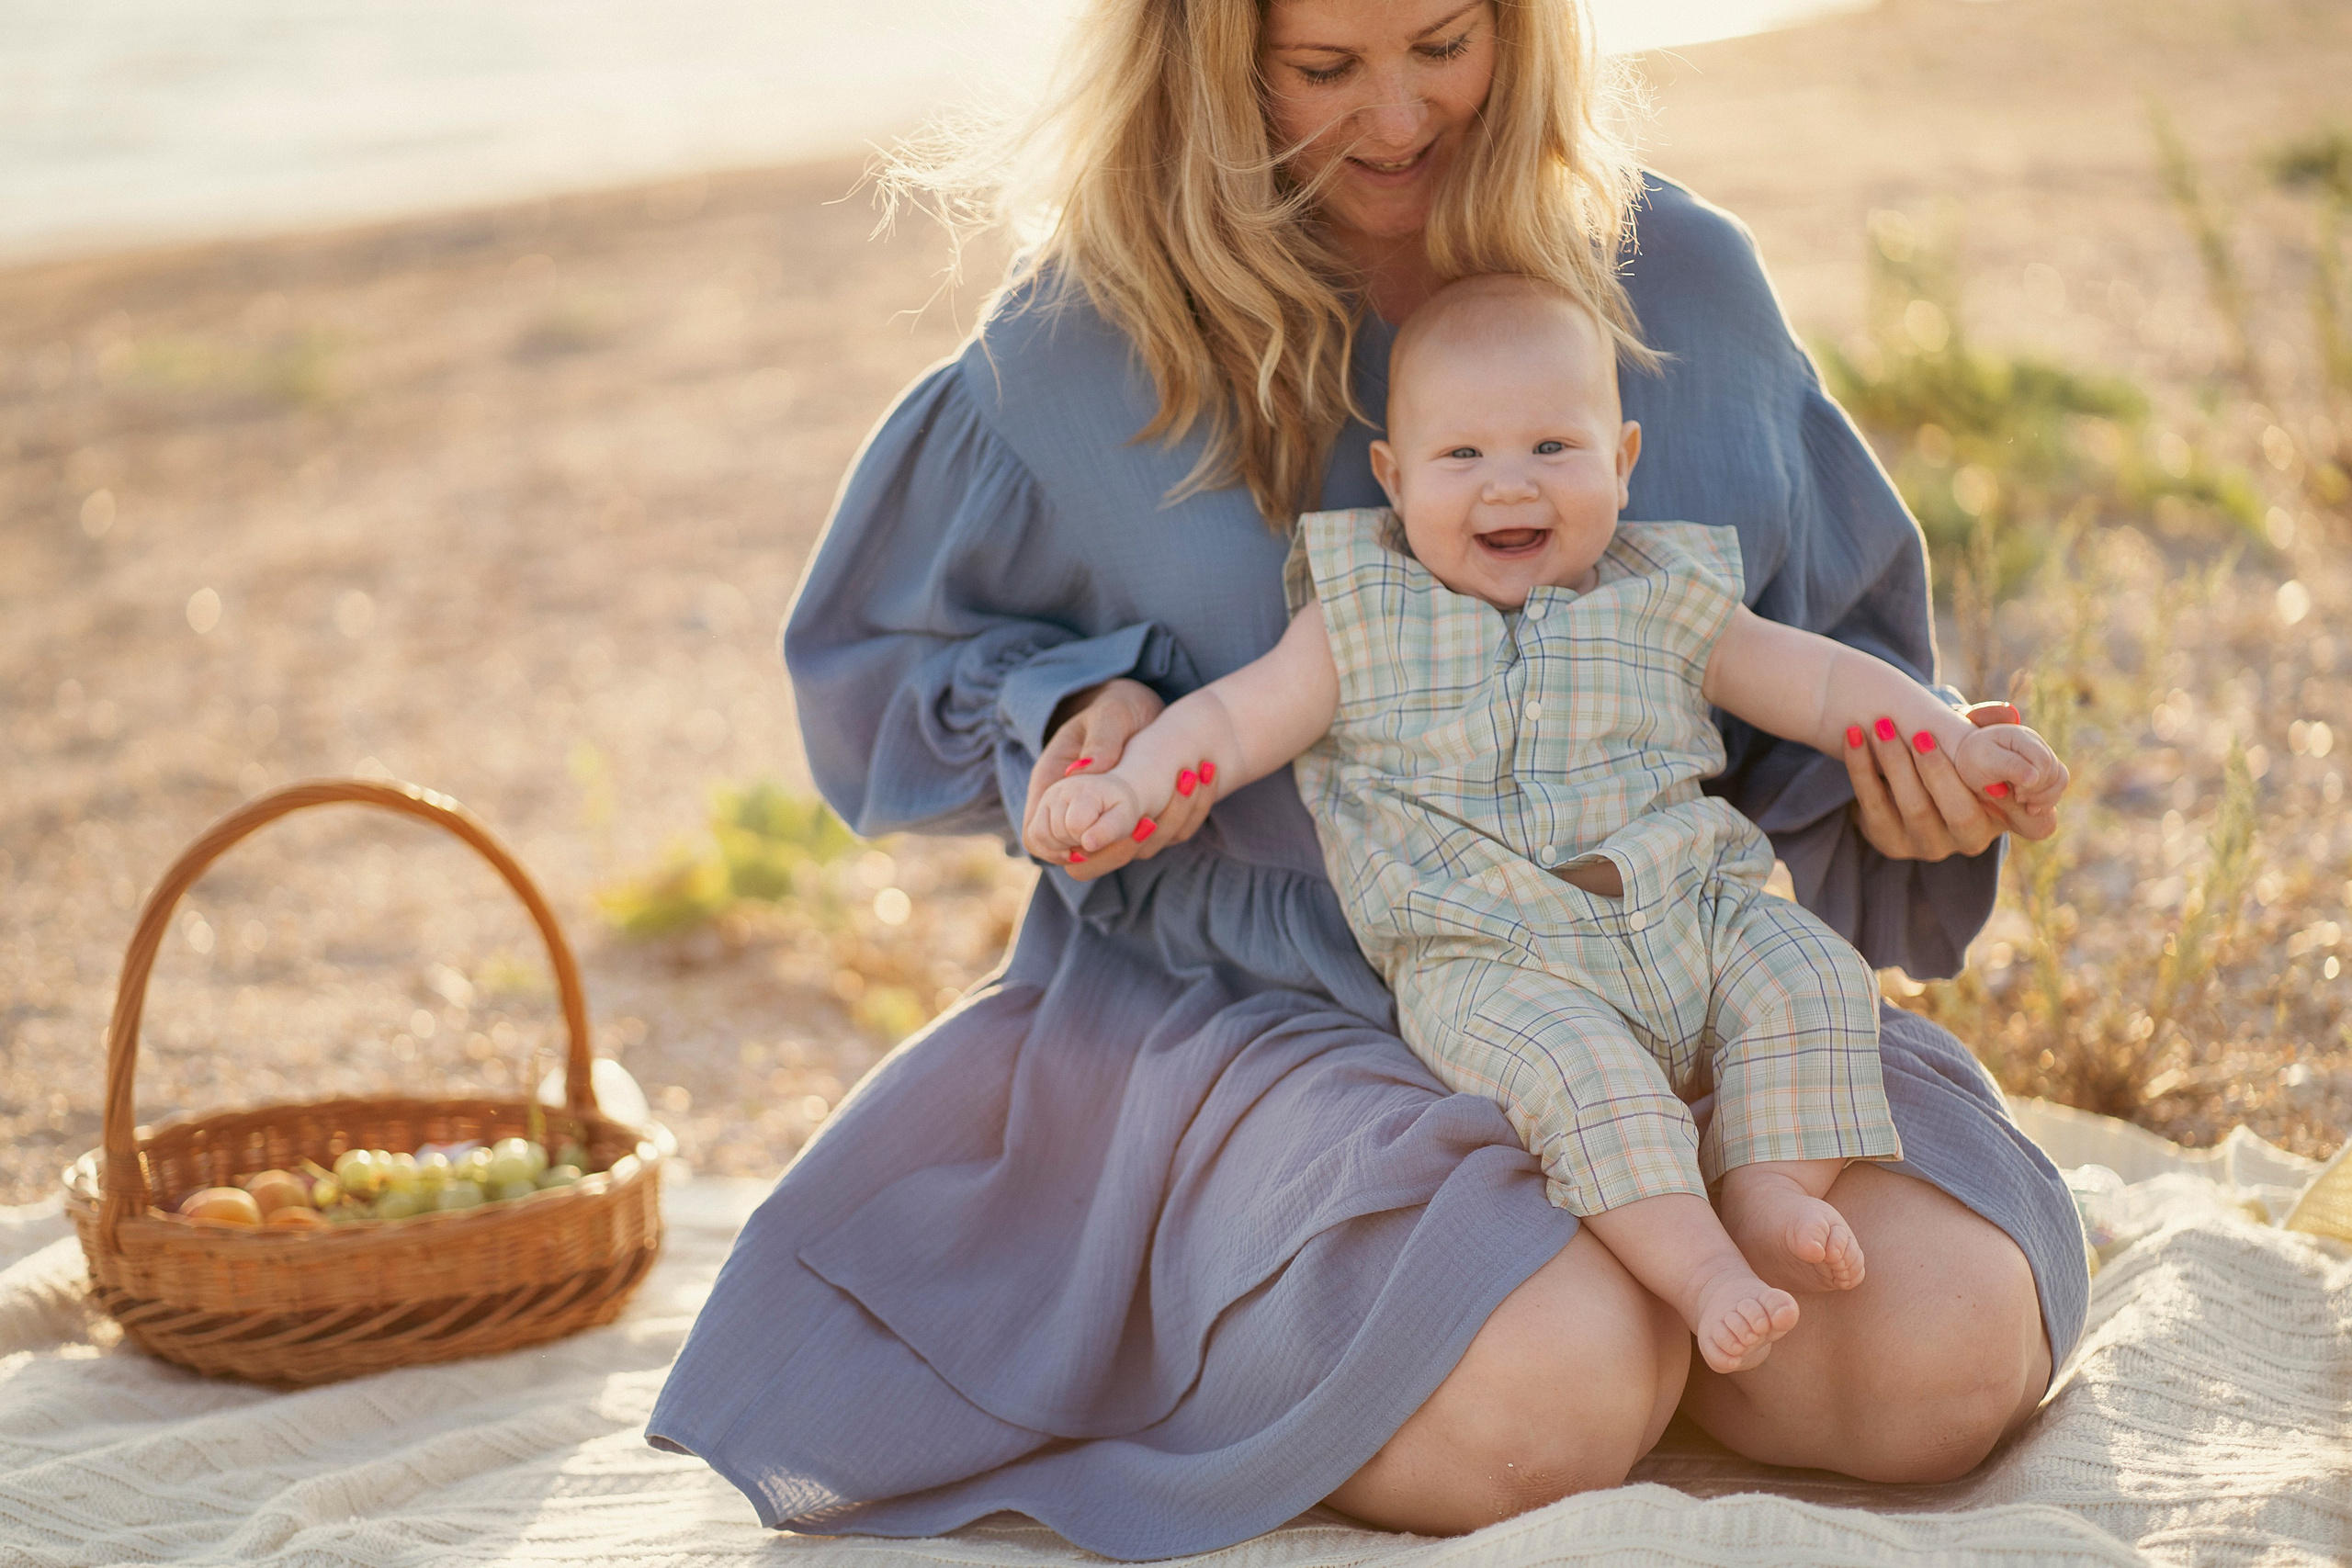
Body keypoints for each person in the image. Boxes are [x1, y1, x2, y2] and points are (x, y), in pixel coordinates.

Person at [647, 0, 2089, 1554]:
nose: (1397, 118)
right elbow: (883, 672)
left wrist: (1912, 774)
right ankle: (1540, 1330)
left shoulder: (1682, 286)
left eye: (1444, 42)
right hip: (1264, 1007)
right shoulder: (1079, 342)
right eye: (1321, 68)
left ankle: (1632, 1290)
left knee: (1947, 1364)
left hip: (1658, 956)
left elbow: (1812, 663)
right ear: (1201, 52)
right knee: (1550, 1405)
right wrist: (1080, 708)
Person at [1028, 275, 2070, 1376]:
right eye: (1461, 457)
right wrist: (1134, 785)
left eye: (1550, 448)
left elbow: (1819, 686)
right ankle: (1700, 1269)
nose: (1507, 485)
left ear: (1622, 460)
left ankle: (1771, 1183)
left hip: (1691, 911)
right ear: (1392, 477)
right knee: (1580, 1076)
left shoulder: (1668, 596)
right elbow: (1236, 723)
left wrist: (1950, 739)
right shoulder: (1358, 616)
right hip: (1487, 956)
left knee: (1810, 974)